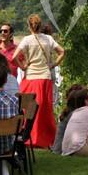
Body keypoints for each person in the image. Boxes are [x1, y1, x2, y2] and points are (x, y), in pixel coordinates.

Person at [13, 14, 65, 149]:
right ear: (40, 25)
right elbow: (62, 52)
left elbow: (14, 57)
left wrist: (23, 66)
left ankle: (29, 136)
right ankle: (47, 138)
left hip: (30, 77)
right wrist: (53, 65)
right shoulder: (48, 39)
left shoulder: (26, 40)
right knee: (44, 109)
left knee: (28, 109)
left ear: (29, 26)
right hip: (45, 78)